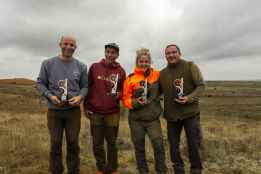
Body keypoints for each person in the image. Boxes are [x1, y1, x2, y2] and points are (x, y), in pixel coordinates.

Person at [36, 36, 88, 174]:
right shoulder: (47, 63)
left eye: (72, 45)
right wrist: (50, 96)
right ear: (60, 44)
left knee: (73, 142)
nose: (69, 47)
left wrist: (80, 97)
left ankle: (73, 171)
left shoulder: (81, 66)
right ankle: (56, 170)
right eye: (66, 44)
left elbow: (85, 87)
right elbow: (40, 83)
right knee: (55, 143)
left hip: (73, 112)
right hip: (54, 111)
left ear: (75, 47)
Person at [159, 44, 205, 174]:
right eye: (168, 53)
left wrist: (189, 98)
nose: (171, 55)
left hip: (190, 114)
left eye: (174, 52)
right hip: (172, 116)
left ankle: (196, 169)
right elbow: (156, 92)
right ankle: (178, 170)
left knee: (193, 144)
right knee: (173, 146)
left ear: (179, 53)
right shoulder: (162, 74)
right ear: (165, 56)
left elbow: (201, 86)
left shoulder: (190, 66)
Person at [122, 48, 167, 174]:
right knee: (139, 147)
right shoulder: (130, 78)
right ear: (137, 62)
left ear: (150, 62)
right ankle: (143, 171)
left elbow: (165, 89)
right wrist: (135, 102)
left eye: (146, 61)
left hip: (153, 120)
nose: (144, 64)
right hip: (136, 120)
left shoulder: (157, 75)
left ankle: (161, 170)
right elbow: (125, 99)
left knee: (158, 145)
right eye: (141, 61)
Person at [84, 43, 126, 174]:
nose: (110, 55)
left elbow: (123, 90)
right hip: (95, 112)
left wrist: (119, 94)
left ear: (117, 55)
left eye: (113, 53)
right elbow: (87, 87)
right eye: (108, 52)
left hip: (112, 113)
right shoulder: (94, 67)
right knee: (97, 143)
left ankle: (112, 169)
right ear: (104, 52)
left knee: (112, 143)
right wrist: (85, 106)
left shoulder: (121, 71)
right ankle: (101, 169)